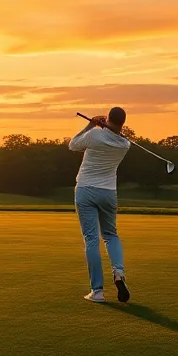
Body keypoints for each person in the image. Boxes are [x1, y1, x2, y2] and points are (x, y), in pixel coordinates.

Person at [69, 108, 131, 303]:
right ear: (123, 123)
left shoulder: (95, 134)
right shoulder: (125, 144)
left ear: (107, 118)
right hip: (108, 193)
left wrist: (90, 124)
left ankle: (97, 292)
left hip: (86, 189)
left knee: (91, 239)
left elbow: (72, 145)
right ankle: (119, 273)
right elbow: (115, 136)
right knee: (111, 235)